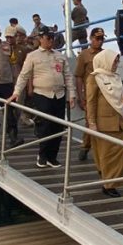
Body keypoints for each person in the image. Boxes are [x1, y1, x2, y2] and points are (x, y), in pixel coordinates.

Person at [11, 28, 76, 168]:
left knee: (58, 126)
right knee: (45, 126)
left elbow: (68, 76)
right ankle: (42, 155)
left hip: (59, 94)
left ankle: (52, 157)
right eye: (48, 37)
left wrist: (72, 94)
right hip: (42, 94)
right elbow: (24, 75)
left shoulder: (60, 55)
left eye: (52, 38)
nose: (50, 40)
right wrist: (17, 92)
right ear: (40, 39)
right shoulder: (33, 56)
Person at [85, 48, 123, 197]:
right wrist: (92, 123)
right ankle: (108, 185)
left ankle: (109, 178)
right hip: (103, 123)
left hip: (119, 121)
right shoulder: (94, 78)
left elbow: (115, 97)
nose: (116, 63)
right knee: (106, 155)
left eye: (117, 60)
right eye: (114, 60)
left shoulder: (115, 77)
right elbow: (90, 102)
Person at [73, 27, 105, 161]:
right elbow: (79, 76)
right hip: (90, 94)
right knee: (90, 122)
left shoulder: (105, 54)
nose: (100, 41)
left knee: (103, 122)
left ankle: (102, 151)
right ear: (91, 38)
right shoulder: (84, 55)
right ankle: (85, 147)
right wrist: (81, 98)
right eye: (97, 38)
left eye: (102, 39)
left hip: (104, 93)